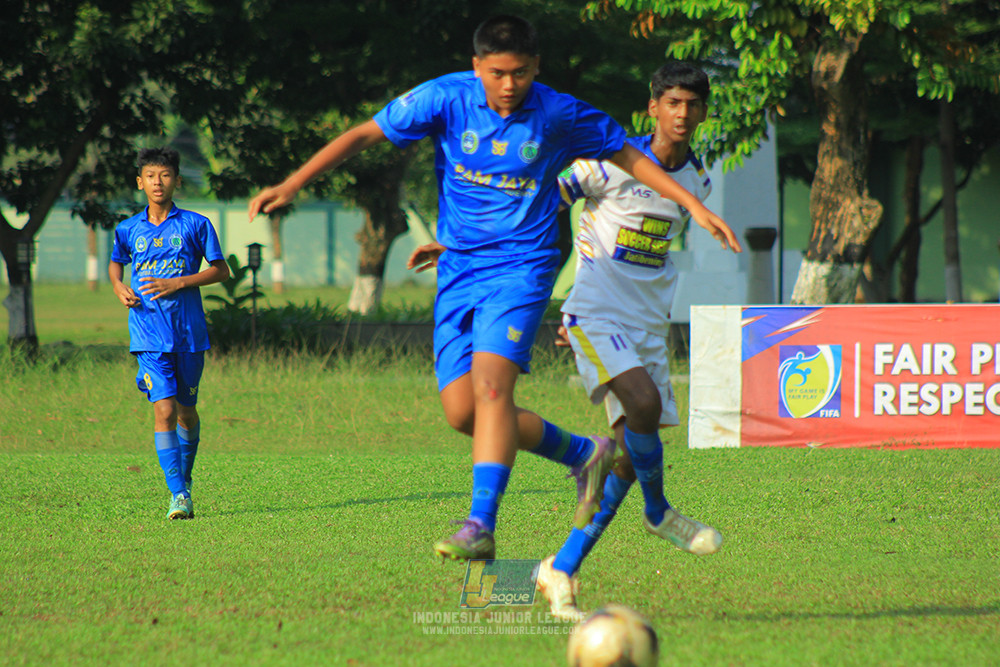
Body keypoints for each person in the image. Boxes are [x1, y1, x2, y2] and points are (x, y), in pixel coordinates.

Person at [250, 16, 740, 561]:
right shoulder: (445, 98)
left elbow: (627, 157)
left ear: (537, 68)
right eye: (499, 73)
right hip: (460, 270)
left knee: (491, 391)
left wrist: (693, 203)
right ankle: (585, 454)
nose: (510, 86)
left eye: (522, 73)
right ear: (477, 66)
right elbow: (368, 132)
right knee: (464, 413)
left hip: (523, 268)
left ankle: (480, 523)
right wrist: (294, 182)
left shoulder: (558, 113)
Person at [532, 62, 741, 620]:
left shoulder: (697, 180)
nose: (682, 113)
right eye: (671, 102)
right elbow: (550, 197)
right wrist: (545, 280)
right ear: (652, 107)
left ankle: (562, 569)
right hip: (597, 315)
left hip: (648, 329)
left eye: (693, 104)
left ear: (702, 112)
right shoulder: (608, 158)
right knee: (645, 406)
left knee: (626, 458)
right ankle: (660, 512)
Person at [109, 147, 229, 520]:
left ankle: (184, 478)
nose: (157, 183)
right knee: (163, 410)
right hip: (146, 334)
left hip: (189, 335)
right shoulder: (128, 229)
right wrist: (119, 288)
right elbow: (116, 267)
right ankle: (178, 495)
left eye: (165, 175)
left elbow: (221, 270)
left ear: (176, 180)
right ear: (139, 182)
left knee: (185, 413)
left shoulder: (196, 224)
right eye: (150, 176)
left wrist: (179, 282)